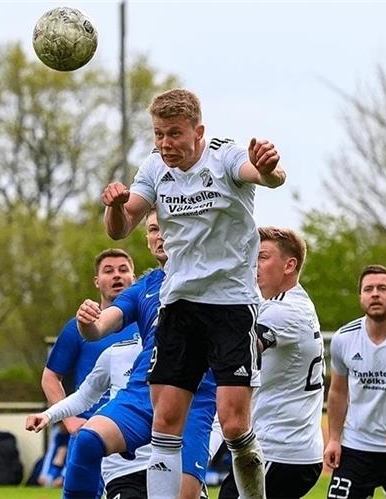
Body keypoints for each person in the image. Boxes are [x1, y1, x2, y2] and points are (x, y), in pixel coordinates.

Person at [101, 88, 285, 499]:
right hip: (179, 305)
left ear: (198, 131)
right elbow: (121, 226)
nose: (166, 144)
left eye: (175, 134)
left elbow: (266, 177)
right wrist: (114, 206)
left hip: (231, 306)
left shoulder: (225, 156)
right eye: (159, 134)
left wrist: (268, 168)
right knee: (165, 421)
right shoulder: (153, 167)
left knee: (235, 425)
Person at [63, 209, 218, 499]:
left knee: (183, 495)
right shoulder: (143, 289)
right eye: (154, 229)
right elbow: (99, 328)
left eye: (168, 227)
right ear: (147, 238)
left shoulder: (215, 278)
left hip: (193, 402)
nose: (160, 236)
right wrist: (88, 324)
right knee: (87, 441)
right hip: (143, 395)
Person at [219, 227, 324, 499]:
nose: (255, 266)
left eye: (263, 257)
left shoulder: (284, 310)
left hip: (279, 450)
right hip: (287, 449)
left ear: (290, 265)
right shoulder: (286, 303)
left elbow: (243, 347)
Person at [41, 248, 139, 498]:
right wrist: (69, 421)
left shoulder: (149, 323)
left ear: (134, 278)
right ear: (97, 281)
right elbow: (50, 377)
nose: (117, 276)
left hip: (131, 435)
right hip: (89, 435)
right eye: (108, 271)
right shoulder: (79, 327)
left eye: (123, 269)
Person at [325, 265, 386, 499]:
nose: (375, 294)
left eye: (382, 288)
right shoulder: (343, 338)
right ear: (360, 297)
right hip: (357, 446)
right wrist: (334, 439)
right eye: (368, 289)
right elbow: (337, 392)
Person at [27, 337, 145, 496]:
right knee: (87, 439)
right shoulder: (116, 353)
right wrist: (49, 415)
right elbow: (83, 396)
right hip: (125, 469)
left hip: (170, 462)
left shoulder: (182, 351)